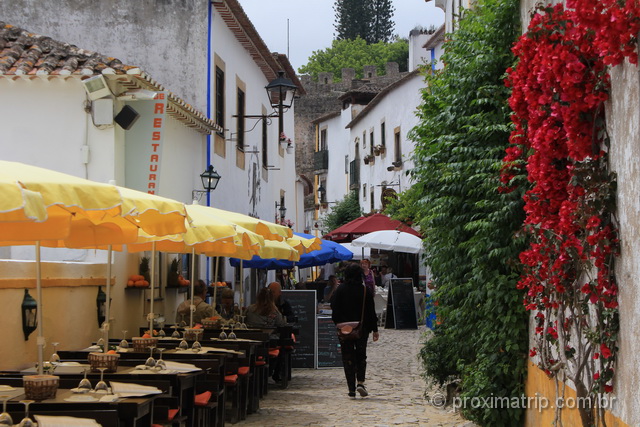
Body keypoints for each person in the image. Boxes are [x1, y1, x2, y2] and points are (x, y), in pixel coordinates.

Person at [331, 263, 379, 398]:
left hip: (344, 329)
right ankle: (360, 382)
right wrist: (375, 330)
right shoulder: (364, 291)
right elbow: (371, 312)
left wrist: (338, 324)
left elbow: (334, 309)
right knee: (361, 356)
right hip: (362, 329)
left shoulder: (340, 290)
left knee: (348, 357)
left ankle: (351, 388)